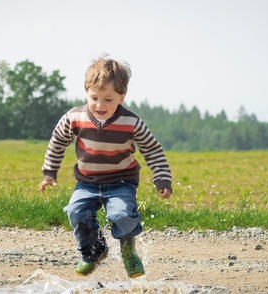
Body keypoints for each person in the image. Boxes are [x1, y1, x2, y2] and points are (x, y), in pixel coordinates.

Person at [39, 55, 172, 278]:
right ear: (86, 92)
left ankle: (128, 250)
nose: (100, 105)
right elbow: (57, 142)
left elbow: (153, 150)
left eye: (109, 99)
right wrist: (49, 172)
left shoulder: (131, 122)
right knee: (76, 211)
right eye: (95, 97)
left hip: (121, 182)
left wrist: (162, 178)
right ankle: (93, 251)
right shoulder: (75, 117)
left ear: (122, 96)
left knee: (121, 215)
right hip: (87, 182)